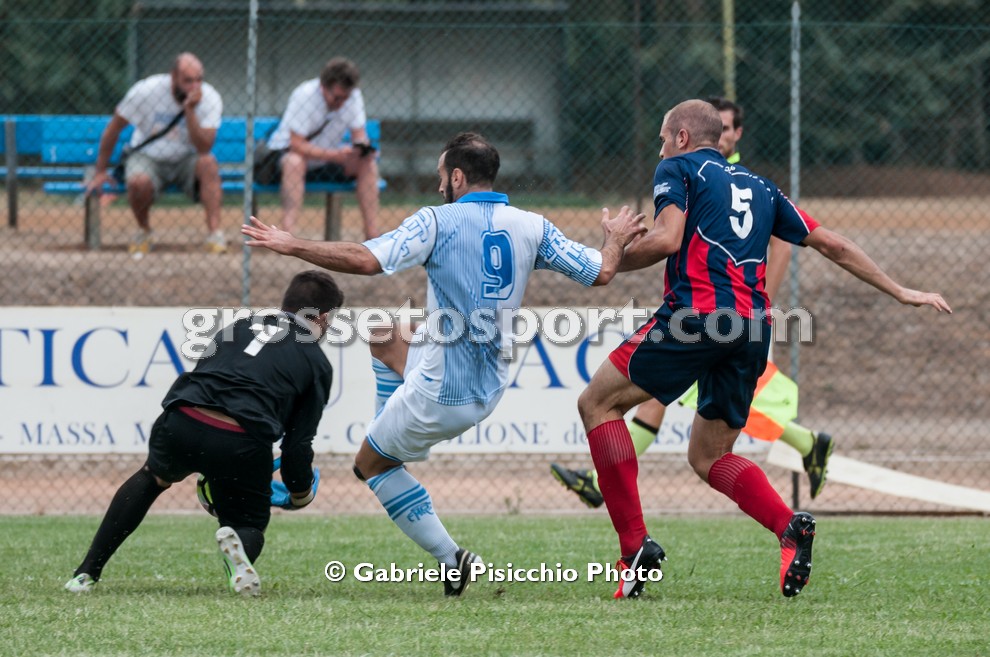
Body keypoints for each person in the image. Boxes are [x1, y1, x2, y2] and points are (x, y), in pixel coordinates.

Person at [242, 132, 646, 596]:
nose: (438, 186)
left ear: (457, 177)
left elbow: (367, 259)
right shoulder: (532, 225)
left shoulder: (437, 221)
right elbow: (602, 271)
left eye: (441, 176)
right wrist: (615, 239)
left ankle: (452, 559)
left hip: (441, 394)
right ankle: (396, 433)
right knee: (385, 335)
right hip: (489, 384)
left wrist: (292, 243)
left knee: (370, 465)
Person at [577, 99, 950, 600]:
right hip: (751, 328)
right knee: (710, 456)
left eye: (663, 138)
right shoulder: (763, 187)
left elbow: (666, 239)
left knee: (597, 403)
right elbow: (833, 244)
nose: (660, 148)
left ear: (682, 137)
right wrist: (900, 290)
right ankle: (788, 528)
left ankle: (634, 549)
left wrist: (607, 256)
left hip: (697, 318)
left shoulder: (677, 168)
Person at [552, 96, 834, 507]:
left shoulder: (707, 173)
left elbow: (677, 239)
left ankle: (605, 489)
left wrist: (606, 260)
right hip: (737, 319)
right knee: (703, 442)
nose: (725, 135)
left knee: (624, 402)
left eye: (730, 127)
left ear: (733, 134)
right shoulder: (737, 179)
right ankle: (803, 461)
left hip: (711, 315)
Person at [64, 271, 342, 596]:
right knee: (249, 523)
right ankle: (238, 552)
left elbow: (208, 376)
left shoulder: (238, 326)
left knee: (152, 478)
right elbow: (297, 444)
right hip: (240, 440)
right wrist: (299, 492)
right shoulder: (317, 362)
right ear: (323, 317)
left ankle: (86, 573)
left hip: (182, 418)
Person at [86, 52, 226, 257]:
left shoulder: (210, 97)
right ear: (173, 77)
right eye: (188, 81)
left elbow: (204, 147)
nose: (194, 87)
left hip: (186, 159)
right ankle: (144, 231)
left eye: (198, 80)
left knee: (209, 163)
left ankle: (215, 235)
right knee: (138, 182)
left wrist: (189, 111)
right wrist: (100, 171)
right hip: (147, 156)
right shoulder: (146, 91)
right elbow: (113, 128)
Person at [264, 57, 380, 238]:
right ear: (323, 87)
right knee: (294, 162)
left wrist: (362, 150)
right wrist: (335, 155)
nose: (341, 103)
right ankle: (287, 234)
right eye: (337, 97)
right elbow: (296, 144)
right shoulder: (304, 95)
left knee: (368, 165)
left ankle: (372, 235)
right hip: (288, 160)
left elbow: (359, 135)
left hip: (327, 160)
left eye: (346, 98)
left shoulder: (354, 96)